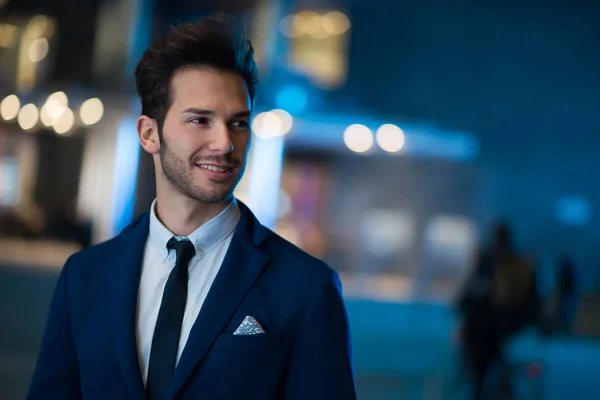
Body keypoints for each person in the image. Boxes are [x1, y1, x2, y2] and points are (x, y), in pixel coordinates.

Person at [28, 15, 356, 400]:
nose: (224, 143)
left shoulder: (306, 287)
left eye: (238, 123)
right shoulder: (84, 277)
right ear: (149, 134)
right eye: (200, 120)